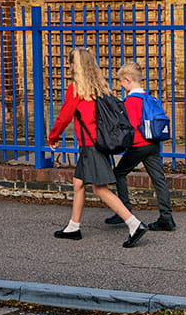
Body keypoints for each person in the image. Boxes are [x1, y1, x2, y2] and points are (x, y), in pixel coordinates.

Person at [47, 48, 148, 247]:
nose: (69, 67)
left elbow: (65, 116)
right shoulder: (99, 87)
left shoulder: (76, 88)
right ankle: (73, 227)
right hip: (99, 142)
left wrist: (53, 136)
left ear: (74, 66)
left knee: (100, 189)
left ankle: (134, 224)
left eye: (70, 64)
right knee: (78, 183)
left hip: (90, 145)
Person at [105, 61, 175, 231]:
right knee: (159, 179)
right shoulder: (150, 98)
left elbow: (129, 127)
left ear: (127, 80)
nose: (121, 85)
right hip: (153, 144)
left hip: (138, 145)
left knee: (119, 173)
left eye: (121, 82)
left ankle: (124, 210)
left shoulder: (130, 101)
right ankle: (166, 218)